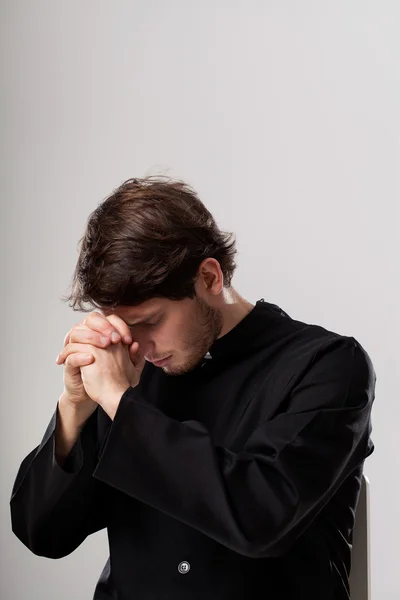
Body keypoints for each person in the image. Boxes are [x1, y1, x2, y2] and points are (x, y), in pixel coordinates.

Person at [10, 175, 376, 600]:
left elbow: (261, 518)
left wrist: (120, 403)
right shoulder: (132, 373)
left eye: (151, 322)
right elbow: (43, 534)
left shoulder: (327, 364)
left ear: (209, 277)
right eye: (125, 326)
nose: (140, 346)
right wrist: (74, 409)